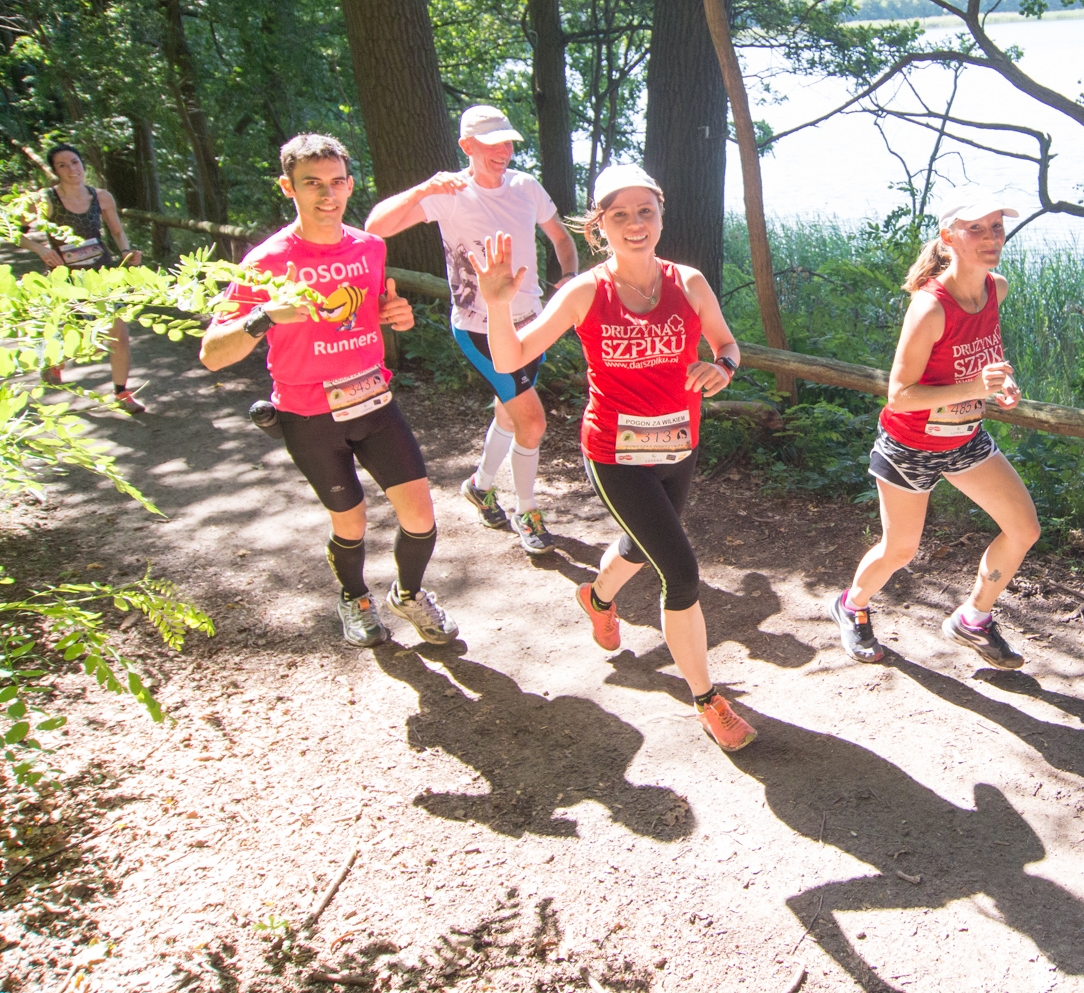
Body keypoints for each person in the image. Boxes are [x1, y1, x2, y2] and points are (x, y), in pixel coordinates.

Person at [478, 163, 756, 752]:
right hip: (613, 451)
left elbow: (727, 344)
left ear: (660, 215)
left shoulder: (690, 282)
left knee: (641, 544)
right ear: (598, 225)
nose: (635, 224)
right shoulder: (585, 292)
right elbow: (510, 359)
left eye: (645, 211)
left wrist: (722, 368)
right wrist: (497, 305)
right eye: (619, 215)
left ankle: (597, 596)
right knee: (679, 569)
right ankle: (709, 702)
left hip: (679, 444)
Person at [199, 133, 459, 650]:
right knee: (352, 519)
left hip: (375, 402)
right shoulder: (266, 261)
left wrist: (396, 317)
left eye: (337, 182)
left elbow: (373, 313)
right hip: (308, 415)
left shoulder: (369, 247)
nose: (327, 195)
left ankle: (408, 595)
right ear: (287, 187)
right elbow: (212, 352)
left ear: (350, 185)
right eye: (312, 184)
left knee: (421, 515)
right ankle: (355, 597)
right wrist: (263, 316)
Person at [829, 188, 1041, 669]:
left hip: (966, 439)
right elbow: (900, 394)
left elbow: (982, 360)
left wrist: (1002, 385)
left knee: (1024, 528)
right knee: (900, 549)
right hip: (910, 446)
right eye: (976, 229)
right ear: (949, 238)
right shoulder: (930, 307)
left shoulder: (996, 289)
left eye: (996, 228)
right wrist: (973, 385)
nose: (991, 238)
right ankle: (852, 605)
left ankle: (973, 619)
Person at [365, 105, 579, 556]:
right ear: (466, 147)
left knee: (510, 412)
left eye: (508, 141)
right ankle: (527, 510)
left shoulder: (525, 186)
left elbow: (561, 237)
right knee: (533, 421)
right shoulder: (449, 192)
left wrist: (567, 278)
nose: (504, 150)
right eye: (492, 142)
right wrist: (424, 187)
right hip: (479, 329)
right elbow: (375, 227)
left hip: (530, 324)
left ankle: (480, 488)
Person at [15, 144, 145, 412]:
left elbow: (118, 232)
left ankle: (122, 394)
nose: (71, 169)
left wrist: (126, 253)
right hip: (66, 279)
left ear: (83, 164)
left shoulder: (101, 197)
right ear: (55, 171)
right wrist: (41, 249)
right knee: (77, 336)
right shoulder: (45, 200)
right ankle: (52, 361)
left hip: (102, 274)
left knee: (118, 334)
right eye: (62, 165)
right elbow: (13, 231)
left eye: (74, 162)